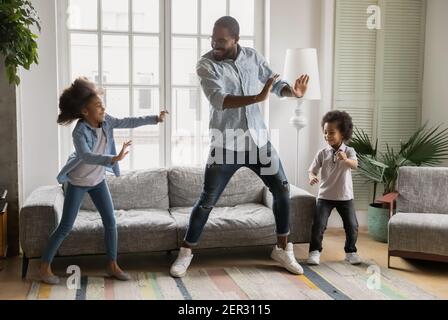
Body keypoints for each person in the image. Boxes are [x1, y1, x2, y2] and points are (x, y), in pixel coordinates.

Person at [170, 16, 309, 278]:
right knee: (207, 200)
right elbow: (219, 100)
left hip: (258, 141)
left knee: (282, 189)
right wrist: (258, 97)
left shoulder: (252, 57)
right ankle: (186, 252)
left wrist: (293, 93)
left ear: (236, 40)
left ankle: (282, 249)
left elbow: (275, 83)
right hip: (226, 143)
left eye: (221, 41)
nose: (215, 44)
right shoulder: (205, 64)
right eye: (213, 39)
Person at [39, 77, 168, 284]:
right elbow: (86, 155)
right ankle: (44, 268)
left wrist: (155, 118)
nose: (103, 107)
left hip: (98, 180)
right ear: (85, 112)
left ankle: (112, 265)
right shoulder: (80, 131)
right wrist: (113, 159)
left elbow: (129, 121)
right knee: (65, 226)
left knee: (110, 222)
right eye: (98, 105)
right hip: (78, 182)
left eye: (102, 104)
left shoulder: (107, 121)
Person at [307, 110, 361, 265]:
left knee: (352, 226)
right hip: (325, 196)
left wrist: (345, 159)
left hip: (345, 196)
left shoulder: (349, 151)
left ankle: (351, 252)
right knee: (318, 226)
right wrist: (312, 177)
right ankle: (314, 252)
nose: (327, 136)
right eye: (325, 132)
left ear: (343, 133)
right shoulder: (322, 153)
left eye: (331, 132)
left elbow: (355, 165)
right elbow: (312, 170)